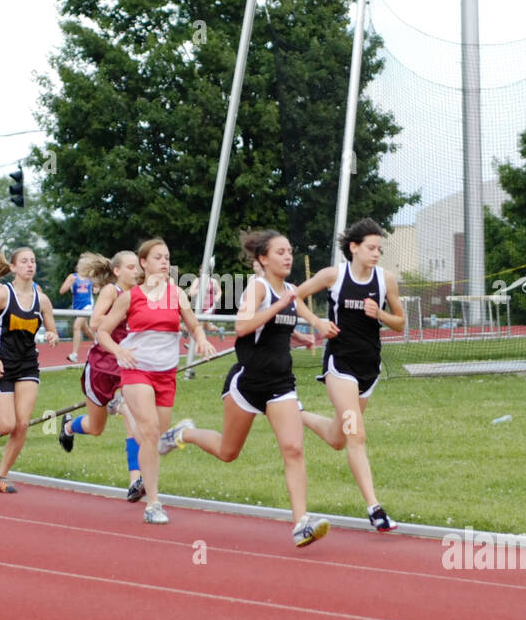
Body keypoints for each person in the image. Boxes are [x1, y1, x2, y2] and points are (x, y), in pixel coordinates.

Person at [167, 231, 336, 547]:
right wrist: (281, 306)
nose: (288, 257)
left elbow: (290, 317)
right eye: (280, 252)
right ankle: (182, 434)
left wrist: (302, 333)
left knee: (294, 449)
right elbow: (243, 327)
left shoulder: (288, 291)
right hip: (246, 384)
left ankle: (301, 522)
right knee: (227, 452)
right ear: (263, 259)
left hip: (280, 384)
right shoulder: (257, 288)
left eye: (290, 251)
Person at [96, 238, 215, 524]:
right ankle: (153, 503)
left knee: (157, 439)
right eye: (158, 257)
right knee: (150, 434)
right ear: (144, 263)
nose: (164, 262)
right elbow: (102, 331)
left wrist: (201, 339)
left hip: (166, 373)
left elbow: (194, 324)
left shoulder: (177, 295)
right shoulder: (130, 296)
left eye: (167, 257)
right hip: (137, 370)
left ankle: (128, 410)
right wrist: (119, 350)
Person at [297, 218, 405, 532]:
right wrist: (317, 323)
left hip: (369, 367)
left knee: (337, 438)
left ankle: (296, 412)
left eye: (379, 249)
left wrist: (380, 313)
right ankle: (375, 509)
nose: (376, 254)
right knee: (356, 435)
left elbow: (400, 323)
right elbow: (295, 297)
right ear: (354, 247)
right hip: (340, 366)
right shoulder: (334, 276)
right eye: (371, 248)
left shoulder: (386, 280)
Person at [58, 251, 147, 500]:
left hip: (127, 365)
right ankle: (69, 426)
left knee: (131, 416)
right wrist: (120, 317)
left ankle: (135, 480)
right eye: (130, 267)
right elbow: (96, 323)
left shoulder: (142, 293)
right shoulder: (111, 291)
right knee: (96, 427)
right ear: (117, 271)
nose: (136, 271)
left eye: (137, 267)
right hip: (101, 366)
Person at [0, 245, 59, 492]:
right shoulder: (2, 295)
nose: (30, 265)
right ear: (13, 268)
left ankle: (1, 476)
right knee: (6, 426)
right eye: (24, 261)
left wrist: (52, 336)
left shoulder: (42, 299)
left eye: (33, 261)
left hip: (28, 365)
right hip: (2, 365)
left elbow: (51, 329)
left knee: (22, 425)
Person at [59, 265, 97, 364]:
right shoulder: (72, 277)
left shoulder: (91, 278)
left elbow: (97, 289)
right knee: (86, 330)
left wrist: (96, 289)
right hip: (76, 307)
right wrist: (70, 283)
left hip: (87, 306)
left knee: (76, 326)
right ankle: (99, 342)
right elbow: (62, 291)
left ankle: (74, 354)